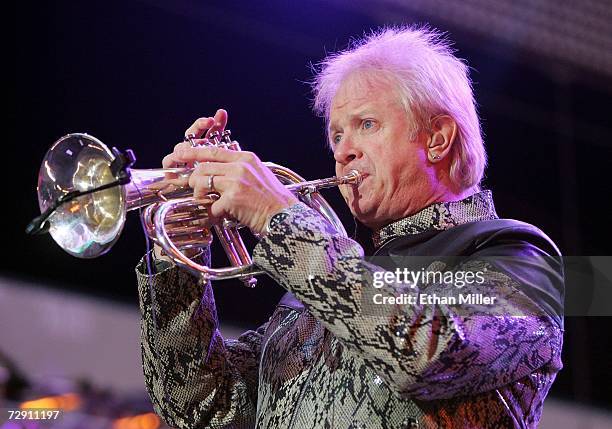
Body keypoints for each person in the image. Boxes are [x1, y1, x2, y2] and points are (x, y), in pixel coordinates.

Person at [137, 26, 564, 428]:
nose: (343, 152)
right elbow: (202, 409)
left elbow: (433, 354)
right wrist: (180, 255)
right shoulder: (316, 285)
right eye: (337, 136)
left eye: (366, 125)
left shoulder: (518, 256)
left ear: (438, 138)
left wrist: (277, 219)